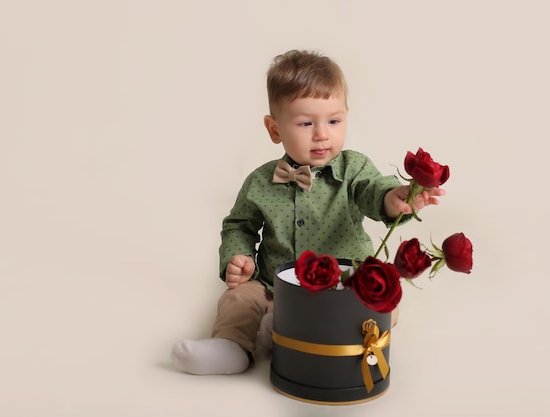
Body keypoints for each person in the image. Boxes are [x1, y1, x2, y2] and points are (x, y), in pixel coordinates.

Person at [171, 49, 445, 375]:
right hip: (275, 289)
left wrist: (394, 198)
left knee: (385, 305)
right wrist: (238, 257)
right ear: (274, 130)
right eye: (305, 123)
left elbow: (373, 190)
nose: (321, 134)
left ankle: (291, 332)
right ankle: (232, 348)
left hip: (344, 290)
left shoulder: (354, 168)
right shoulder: (260, 181)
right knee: (239, 300)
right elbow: (239, 226)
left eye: (334, 120)